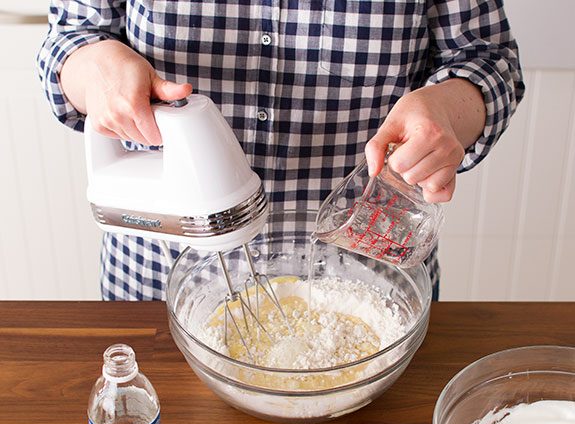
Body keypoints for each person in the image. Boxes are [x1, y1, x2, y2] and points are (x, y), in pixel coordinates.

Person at [37, 1, 524, 301]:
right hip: (157, 278)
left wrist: (447, 109)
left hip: (369, 280)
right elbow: (70, 37)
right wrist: (94, 66)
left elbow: (489, 58)